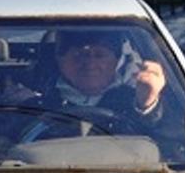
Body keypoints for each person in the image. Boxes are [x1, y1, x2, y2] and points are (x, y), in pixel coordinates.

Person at [13, 30, 166, 141]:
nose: (90, 64)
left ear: (117, 60)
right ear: (60, 59)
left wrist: (148, 103)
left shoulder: (133, 98)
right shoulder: (34, 102)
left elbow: (165, 138)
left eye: (99, 55)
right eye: (78, 55)